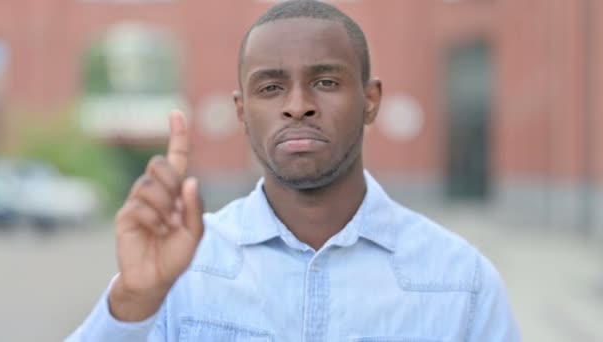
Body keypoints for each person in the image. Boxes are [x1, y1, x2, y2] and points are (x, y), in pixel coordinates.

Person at [67, 1, 520, 341]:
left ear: (371, 101)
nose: (298, 105)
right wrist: (134, 300)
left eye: (325, 82)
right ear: (242, 112)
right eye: (271, 87)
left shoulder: (462, 283)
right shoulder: (180, 271)